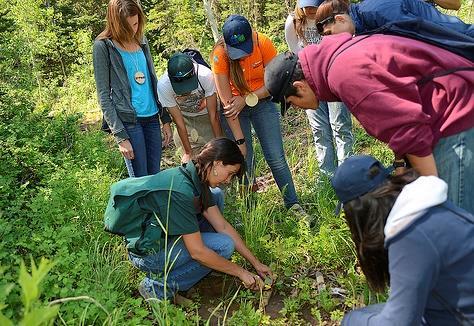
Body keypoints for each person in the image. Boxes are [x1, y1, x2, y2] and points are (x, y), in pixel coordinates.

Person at [263, 34, 474, 214]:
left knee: (455, 220)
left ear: (299, 86)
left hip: (456, 113)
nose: (299, 108)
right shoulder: (333, 60)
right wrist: (400, 164)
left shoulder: (344, 75)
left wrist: (433, 194)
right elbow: (397, 111)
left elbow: (409, 130)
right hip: (447, 104)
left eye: (292, 103)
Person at [104, 138, 273, 301]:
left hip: (165, 238)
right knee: (223, 246)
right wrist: (240, 272)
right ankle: (156, 286)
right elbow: (197, 252)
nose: (228, 180)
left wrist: (255, 263)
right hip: (149, 255)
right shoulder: (181, 192)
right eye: (230, 174)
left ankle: (209, 263)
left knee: (216, 196)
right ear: (217, 163)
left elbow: (222, 226)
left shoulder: (197, 174)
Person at [330, 155, 474, 325]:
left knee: (355, 320)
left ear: (359, 214)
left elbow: (399, 323)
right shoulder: (425, 206)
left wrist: (349, 321)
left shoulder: (410, 237)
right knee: (370, 313)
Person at [211, 14, 306, 214]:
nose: (242, 56)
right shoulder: (219, 56)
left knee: (276, 157)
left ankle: (293, 205)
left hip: (262, 103)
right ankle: (250, 211)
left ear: (251, 38)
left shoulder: (263, 43)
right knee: (244, 160)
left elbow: (274, 83)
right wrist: (239, 142)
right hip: (235, 112)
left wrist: (246, 98)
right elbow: (228, 104)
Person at [93, 0, 172, 177]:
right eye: (127, 27)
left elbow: (153, 80)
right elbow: (103, 95)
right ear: (115, 23)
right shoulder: (104, 46)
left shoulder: (142, 41)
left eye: (136, 24)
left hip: (152, 118)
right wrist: (120, 136)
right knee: (140, 182)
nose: (133, 30)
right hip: (129, 122)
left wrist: (165, 118)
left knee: (155, 178)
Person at [285, 0, 353, 176]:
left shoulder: (332, 17)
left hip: (334, 78)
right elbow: (295, 54)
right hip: (309, 84)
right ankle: (327, 174)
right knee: (319, 130)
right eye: (305, 6)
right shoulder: (293, 23)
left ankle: (347, 173)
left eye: (313, 6)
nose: (309, 10)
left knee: (340, 125)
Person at [158, 52, 222, 164]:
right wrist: (188, 153)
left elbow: (214, 116)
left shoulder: (205, 75)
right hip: (185, 119)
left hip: (206, 116)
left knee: (213, 155)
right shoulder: (164, 86)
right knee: (190, 160)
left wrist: (220, 146)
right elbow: (179, 122)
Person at [314, 0, 473, 38]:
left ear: (340, 19)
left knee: (458, 34)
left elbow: (418, 32)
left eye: (329, 33)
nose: (331, 39)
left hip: (423, 21)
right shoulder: (360, 22)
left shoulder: (373, 13)